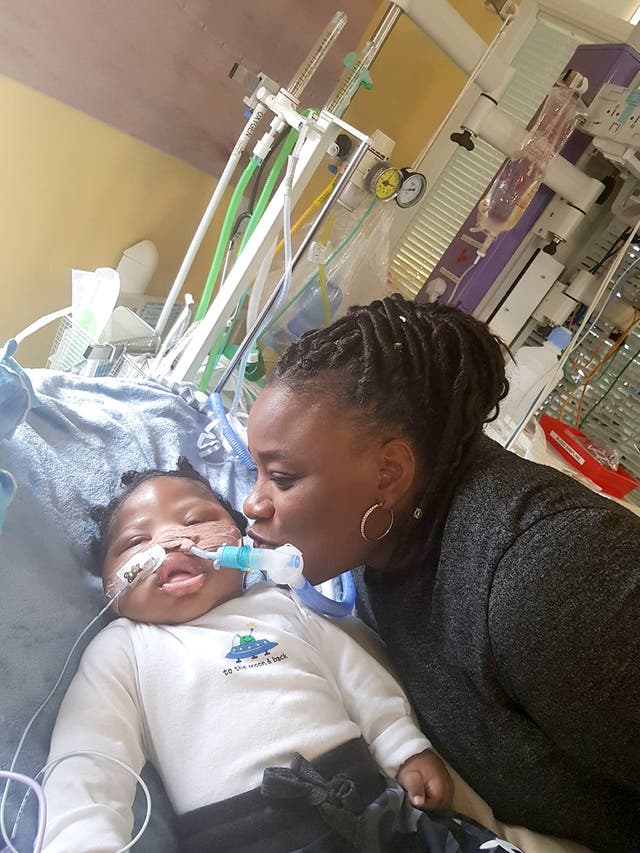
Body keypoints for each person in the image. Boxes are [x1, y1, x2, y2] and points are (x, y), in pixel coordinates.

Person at [244, 293, 640, 853]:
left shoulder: (549, 574)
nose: (251, 503)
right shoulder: (379, 543)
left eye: (280, 478)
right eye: (254, 470)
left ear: (389, 472)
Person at [42, 458, 455, 853]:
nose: (172, 542)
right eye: (136, 541)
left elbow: (359, 679)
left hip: (369, 803)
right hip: (245, 835)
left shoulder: (280, 605)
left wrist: (403, 747)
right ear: (110, 590)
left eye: (197, 521)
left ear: (243, 546)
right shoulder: (123, 649)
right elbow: (89, 759)